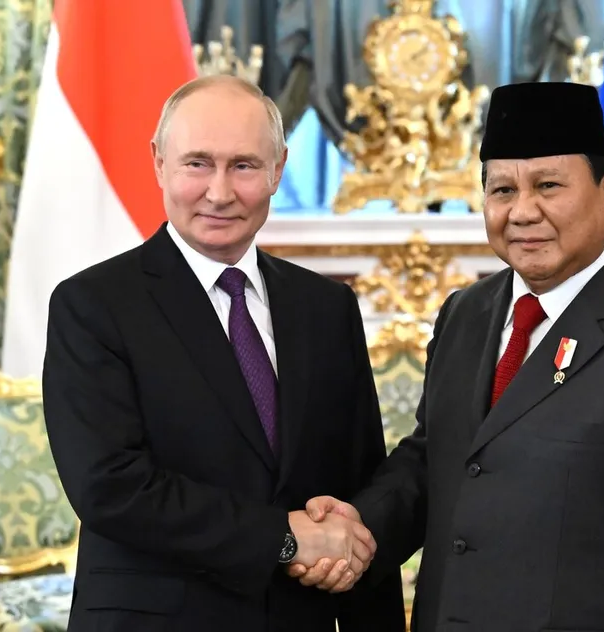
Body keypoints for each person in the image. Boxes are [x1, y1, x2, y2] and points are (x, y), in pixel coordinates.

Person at [291, 82, 604, 630]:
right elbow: (438, 459)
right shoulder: (465, 312)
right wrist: (357, 527)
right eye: (503, 190)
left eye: (548, 186)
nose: (522, 212)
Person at [42, 74, 405, 632]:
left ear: (278, 169)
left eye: (243, 166)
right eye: (197, 164)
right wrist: (282, 538)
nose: (219, 192)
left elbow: (358, 482)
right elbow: (110, 486)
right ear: (159, 162)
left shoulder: (326, 307)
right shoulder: (93, 305)